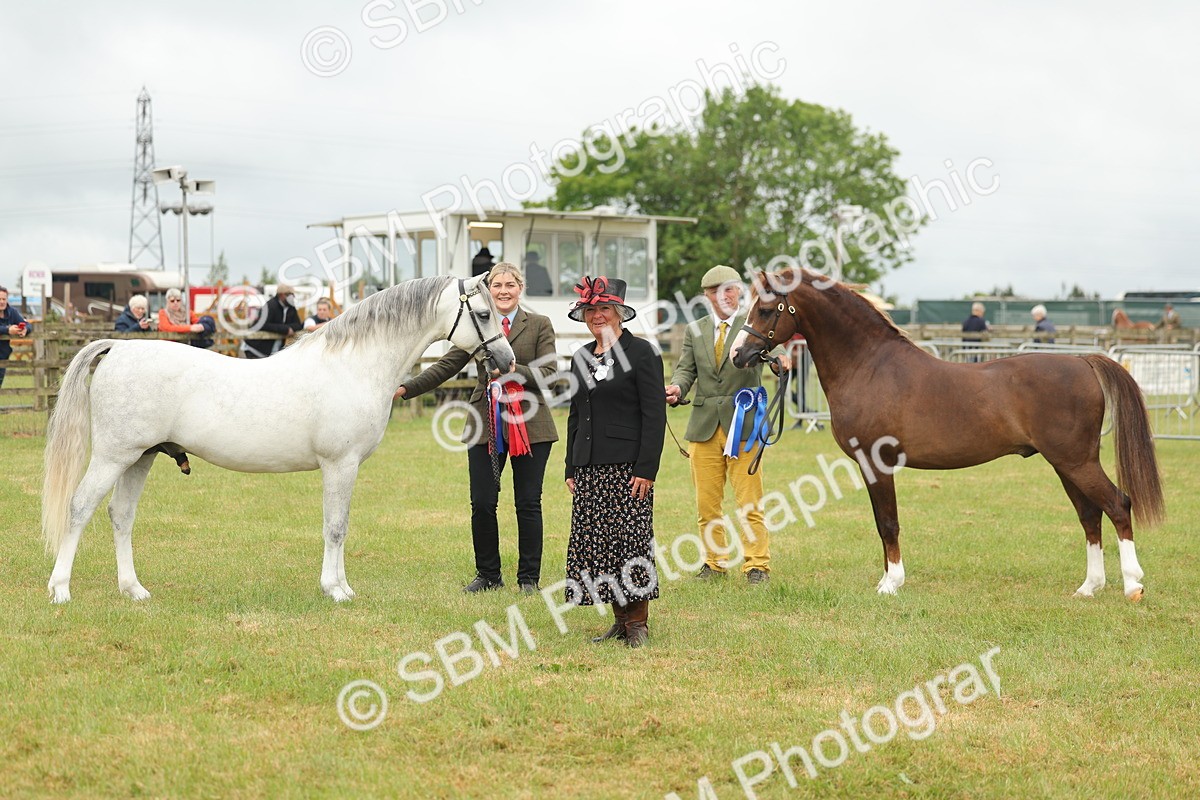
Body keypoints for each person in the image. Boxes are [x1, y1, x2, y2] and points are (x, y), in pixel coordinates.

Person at [396, 263, 558, 594]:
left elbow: (551, 376)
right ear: (488, 290)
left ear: (520, 288)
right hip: (485, 423)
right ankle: (488, 575)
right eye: (496, 285)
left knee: (528, 502)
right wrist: (406, 389)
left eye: (509, 284)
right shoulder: (477, 324)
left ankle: (528, 580)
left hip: (531, 425)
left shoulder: (539, 324)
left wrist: (515, 370)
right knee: (482, 502)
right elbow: (446, 366)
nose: (502, 290)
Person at [665, 265, 790, 585]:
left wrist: (782, 361)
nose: (723, 297)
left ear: (738, 292)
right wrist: (677, 388)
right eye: (714, 292)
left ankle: (756, 564)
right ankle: (713, 562)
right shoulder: (695, 330)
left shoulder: (756, 324)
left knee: (749, 502)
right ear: (706, 297)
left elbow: (776, 353)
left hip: (745, 427)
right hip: (703, 426)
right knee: (707, 505)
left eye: (729, 290)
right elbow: (685, 371)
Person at [564, 275, 665, 648]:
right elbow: (576, 415)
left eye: (604, 308)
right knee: (599, 544)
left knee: (631, 542)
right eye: (591, 310)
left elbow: (655, 415)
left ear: (619, 312)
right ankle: (619, 619)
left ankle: (638, 623)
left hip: (628, 468)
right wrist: (571, 466)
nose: (597, 315)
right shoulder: (580, 357)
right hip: (589, 466)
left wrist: (646, 468)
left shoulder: (643, 354)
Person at [243, 284, 302, 358]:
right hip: (255, 349)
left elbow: (298, 325)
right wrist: (285, 329)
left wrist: (288, 328)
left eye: (293, 294)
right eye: (289, 294)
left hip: (272, 351)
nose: (292, 297)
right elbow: (262, 324)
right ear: (281, 295)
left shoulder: (291, 308)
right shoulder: (270, 306)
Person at [0, 285, 30, 389]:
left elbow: (27, 324)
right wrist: (7, 330)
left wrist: (25, 329)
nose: (2, 302)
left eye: (4, 299)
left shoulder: (12, 312)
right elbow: (5, 329)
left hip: (2, 356)